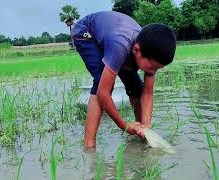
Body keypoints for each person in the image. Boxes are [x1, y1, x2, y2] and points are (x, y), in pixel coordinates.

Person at [72, 11, 176, 148]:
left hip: (117, 39)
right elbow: (103, 93)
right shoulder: (120, 47)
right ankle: (89, 144)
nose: (153, 71)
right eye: (152, 67)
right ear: (136, 50)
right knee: (100, 82)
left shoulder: (150, 52)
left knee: (137, 88)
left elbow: (148, 92)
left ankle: (140, 133)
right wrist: (124, 125)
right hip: (87, 33)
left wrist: (147, 125)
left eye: (158, 68)